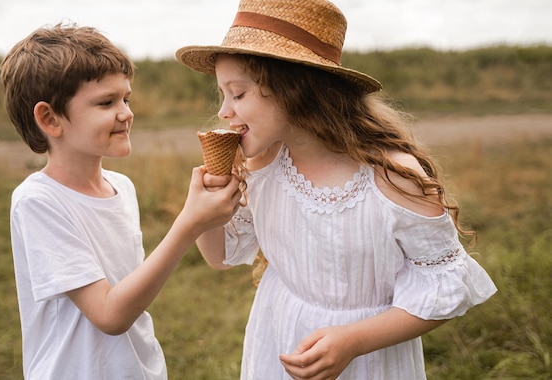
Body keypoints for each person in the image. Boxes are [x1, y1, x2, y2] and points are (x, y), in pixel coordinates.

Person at [175, 0, 498, 379]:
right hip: (279, 342)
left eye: (238, 93)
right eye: (223, 95)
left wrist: (353, 340)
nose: (225, 111)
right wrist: (202, 213)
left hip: (369, 358)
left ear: (294, 89)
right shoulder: (263, 166)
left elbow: (442, 291)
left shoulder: (393, 178)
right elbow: (220, 257)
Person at [0, 24, 242, 379]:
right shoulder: (38, 201)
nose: (126, 113)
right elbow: (110, 315)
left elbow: (132, 294)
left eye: (125, 98)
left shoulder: (121, 187)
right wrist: (188, 224)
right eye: (106, 102)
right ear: (49, 119)